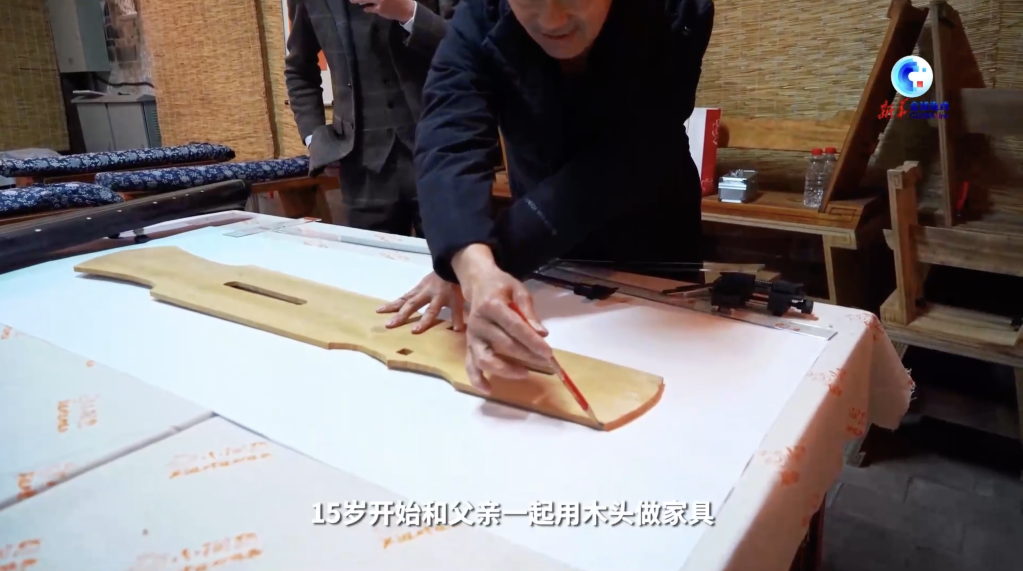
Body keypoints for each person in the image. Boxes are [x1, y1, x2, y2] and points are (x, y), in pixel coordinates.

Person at [378, 0, 714, 391]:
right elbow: (449, 136)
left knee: (678, 385)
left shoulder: (677, 11)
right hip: (540, 236)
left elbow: (628, 156)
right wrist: (470, 261)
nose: (552, 20)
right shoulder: (479, 14)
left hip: (650, 229)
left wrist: (492, 259)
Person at [284, 0, 457, 236]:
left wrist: (408, 13)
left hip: (443, 150)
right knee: (373, 258)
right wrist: (315, 139)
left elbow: (467, 47)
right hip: (361, 165)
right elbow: (299, 69)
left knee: (455, 255)